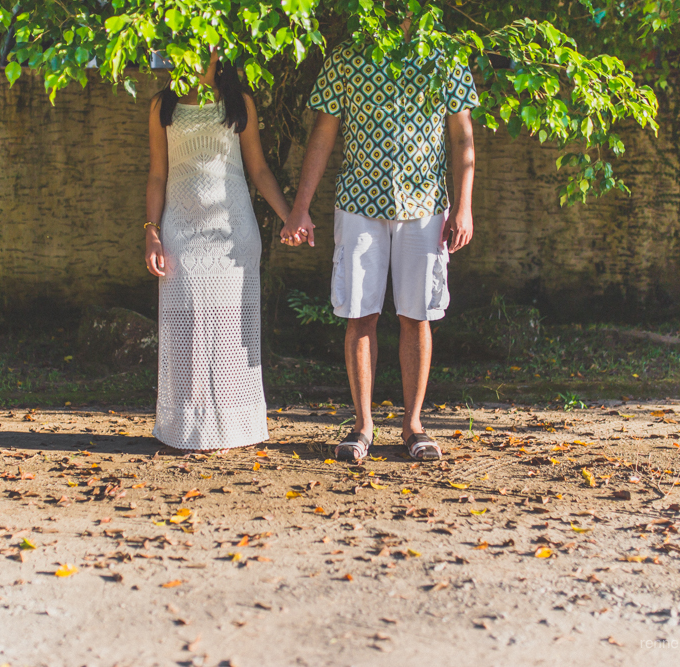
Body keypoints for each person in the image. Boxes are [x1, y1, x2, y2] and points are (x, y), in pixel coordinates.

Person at [281, 36, 478, 462]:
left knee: (417, 315)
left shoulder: (445, 57)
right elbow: (323, 135)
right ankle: (362, 427)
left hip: (425, 206)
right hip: (358, 203)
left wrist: (464, 206)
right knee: (359, 314)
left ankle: (414, 426)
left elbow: (462, 137)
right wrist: (300, 207)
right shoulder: (347, 54)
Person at [145, 50, 292, 452]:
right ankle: (186, 429)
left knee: (229, 334)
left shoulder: (239, 103)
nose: (194, 52)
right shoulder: (162, 106)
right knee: (187, 332)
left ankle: (231, 429)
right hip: (180, 231)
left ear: (219, 51)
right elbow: (157, 174)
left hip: (232, 233)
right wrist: (151, 232)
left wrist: (290, 217)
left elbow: (258, 169)